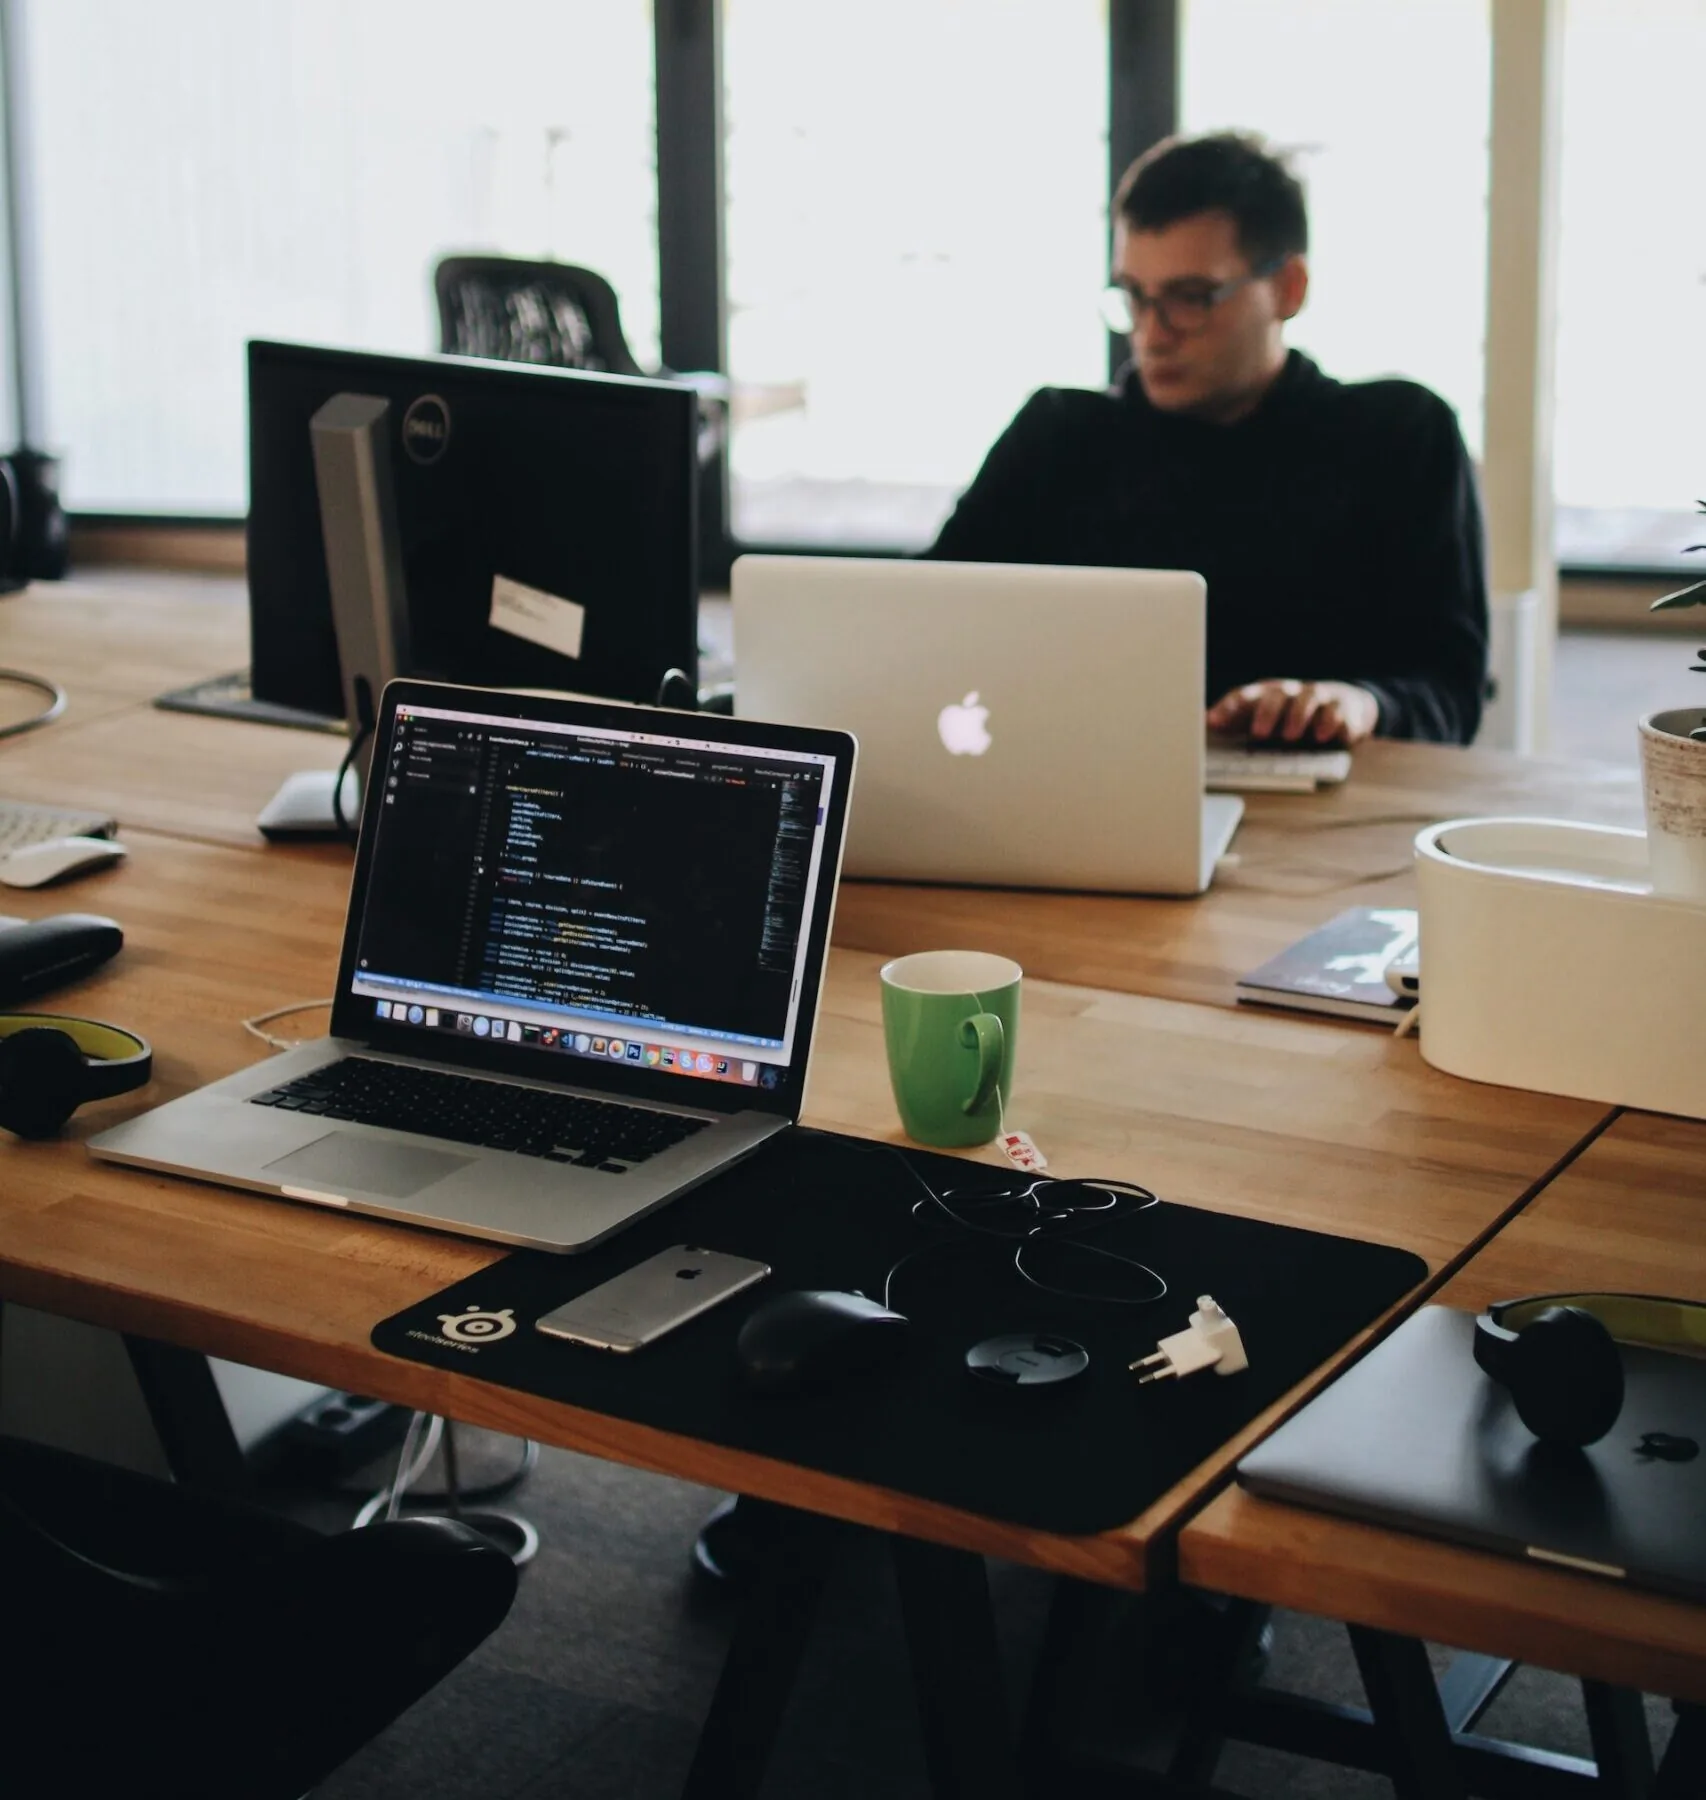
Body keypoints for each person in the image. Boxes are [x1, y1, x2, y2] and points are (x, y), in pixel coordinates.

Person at [926, 131, 1489, 746]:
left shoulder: (1400, 437)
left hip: (1327, 816)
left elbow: (1450, 692)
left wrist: (1360, 702)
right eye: (1135, 298)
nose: (1152, 334)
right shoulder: (1057, 435)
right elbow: (922, 623)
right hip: (1081, 797)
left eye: (1190, 299)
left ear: (1288, 289)